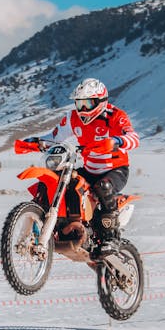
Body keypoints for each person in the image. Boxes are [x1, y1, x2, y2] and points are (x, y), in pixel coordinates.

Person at [23, 78, 140, 257]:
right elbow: (54, 136)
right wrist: (34, 143)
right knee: (63, 179)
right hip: (90, 168)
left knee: (103, 187)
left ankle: (111, 238)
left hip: (115, 169)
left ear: (101, 101)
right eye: (80, 103)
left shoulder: (116, 116)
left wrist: (116, 141)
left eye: (88, 103)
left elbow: (134, 138)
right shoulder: (73, 118)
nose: (83, 109)